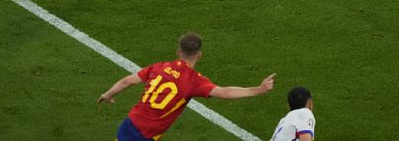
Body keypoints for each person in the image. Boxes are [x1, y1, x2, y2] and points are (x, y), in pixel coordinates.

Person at [97, 32, 275, 141]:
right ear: (199, 55)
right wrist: (257, 90)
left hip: (130, 123)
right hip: (145, 135)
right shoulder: (194, 81)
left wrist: (108, 94)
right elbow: (224, 93)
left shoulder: (159, 66)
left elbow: (127, 81)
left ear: (178, 52)